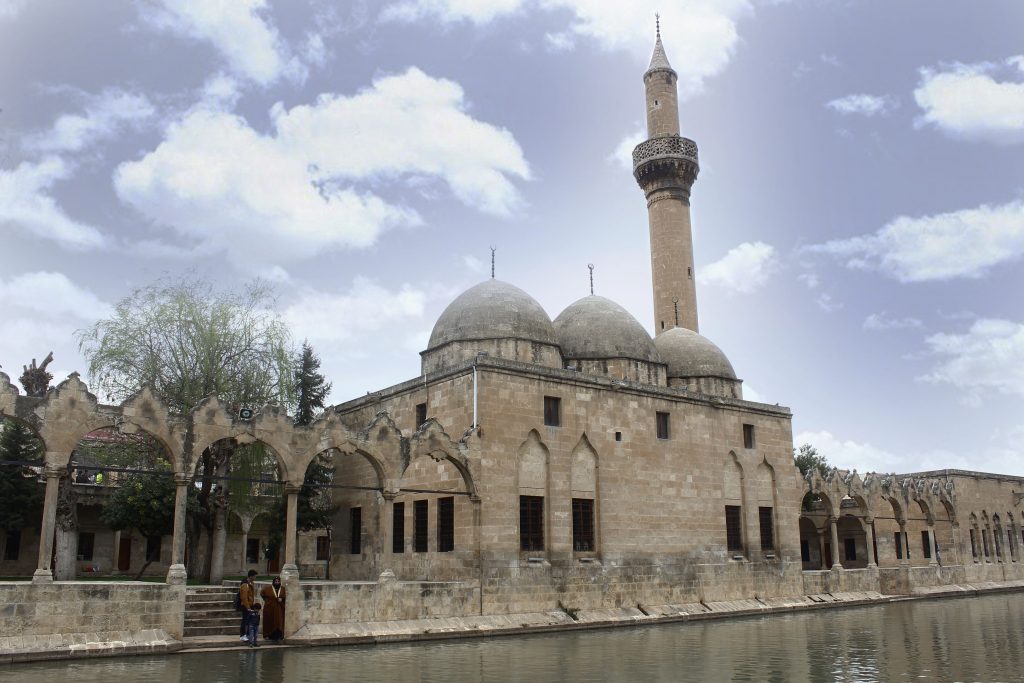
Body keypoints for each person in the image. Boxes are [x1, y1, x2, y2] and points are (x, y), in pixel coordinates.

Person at [259, 576, 286, 642]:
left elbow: (285, 597)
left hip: (279, 608)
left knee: (278, 622)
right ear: (273, 582)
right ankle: (269, 635)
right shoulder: (268, 589)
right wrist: (267, 601)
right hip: (270, 608)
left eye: (278, 581)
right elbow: (262, 593)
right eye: (275, 581)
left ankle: (278, 636)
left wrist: (281, 599)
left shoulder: (282, 589)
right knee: (270, 621)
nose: (277, 583)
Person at [239, 569, 258, 643]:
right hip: (245, 606)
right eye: (255, 576)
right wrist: (248, 607)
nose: (255, 578)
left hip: (250, 605)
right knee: (244, 620)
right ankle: (242, 635)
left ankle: (246, 634)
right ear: (251, 576)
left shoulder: (251, 583)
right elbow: (244, 597)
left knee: (248, 621)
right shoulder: (245, 585)